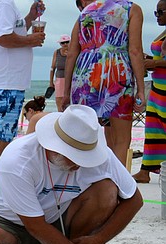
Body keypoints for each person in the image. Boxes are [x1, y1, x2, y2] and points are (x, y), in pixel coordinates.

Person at [0, 105, 143, 244]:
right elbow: (35, 225)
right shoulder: (18, 161)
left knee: (106, 191)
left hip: (63, 220)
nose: (80, 164)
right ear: (53, 147)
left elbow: (135, 199)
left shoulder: (98, 153)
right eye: (75, 157)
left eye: (85, 157)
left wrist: (98, 240)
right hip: (13, 222)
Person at [0, 0, 45, 207]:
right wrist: (31, 40)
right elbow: (3, 37)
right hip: (5, 81)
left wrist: (30, 18)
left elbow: (8, 30)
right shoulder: (2, 3)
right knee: (1, 138)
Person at [63, 0, 146, 162]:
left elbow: (72, 53)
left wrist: (66, 92)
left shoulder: (86, 11)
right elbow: (135, 51)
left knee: (82, 137)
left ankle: (85, 175)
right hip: (116, 74)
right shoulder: (131, 9)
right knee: (121, 139)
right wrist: (141, 89)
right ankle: (116, 177)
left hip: (85, 74)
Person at [133, 0, 166, 183]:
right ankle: (145, 170)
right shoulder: (163, 33)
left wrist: (154, 63)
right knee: (153, 130)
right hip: (157, 88)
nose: (157, 16)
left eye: (160, 12)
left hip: (164, 90)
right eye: (156, 13)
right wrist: (149, 60)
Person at [49, 35, 70, 110]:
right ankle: (60, 115)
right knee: (59, 101)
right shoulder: (57, 52)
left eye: (67, 42)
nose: (65, 44)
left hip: (70, 79)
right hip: (59, 79)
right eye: (63, 42)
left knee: (70, 101)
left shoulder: (73, 51)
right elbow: (52, 68)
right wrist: (51, 82)